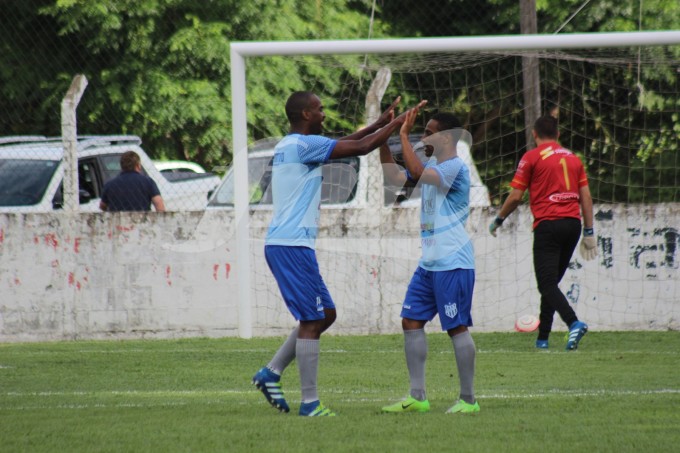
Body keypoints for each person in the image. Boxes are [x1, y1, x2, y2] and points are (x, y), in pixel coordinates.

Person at [252, 91, 426, 417]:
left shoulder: (292, 144)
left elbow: (348, 141)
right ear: (305, 114)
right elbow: (359, 148)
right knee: (312, 319)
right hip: (290, 246)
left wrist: (380, 123)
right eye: (319, 109)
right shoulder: (303, 146)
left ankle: (271, 373)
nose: (324, 114)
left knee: (325, 314)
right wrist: (400, 124)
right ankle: (309, 403)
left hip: (292, 245)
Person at [379, 111, 479, 414]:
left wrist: (404, 135)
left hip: (453, 263)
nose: (423, 138)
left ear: (445, 138)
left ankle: (468, 400)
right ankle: (418, 396)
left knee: (456, 327)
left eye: (428, 133)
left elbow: (419, 174)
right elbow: (394, 177)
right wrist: (384, 138)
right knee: (410, 321)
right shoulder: (434, 164)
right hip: (429, 264)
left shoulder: (454, 167)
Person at [489, 115, 596, 350]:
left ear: (534, 134)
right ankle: (543, 338)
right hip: (573, 225)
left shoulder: (532, 157)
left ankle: (573, 322)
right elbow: (586, 197)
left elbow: (516, 196)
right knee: (552, 283)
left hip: (549, 224)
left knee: (546, 284)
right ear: (558, 135)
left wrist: (498, 219)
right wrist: (589, 232)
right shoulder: (573, 159)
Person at [100, 151, 165, 212]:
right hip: (142, 221)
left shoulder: (110, 184)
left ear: (122, 166)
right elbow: (159, 206)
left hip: (119, 222)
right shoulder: (148, 182)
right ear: (138, 165)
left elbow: (102, 206)